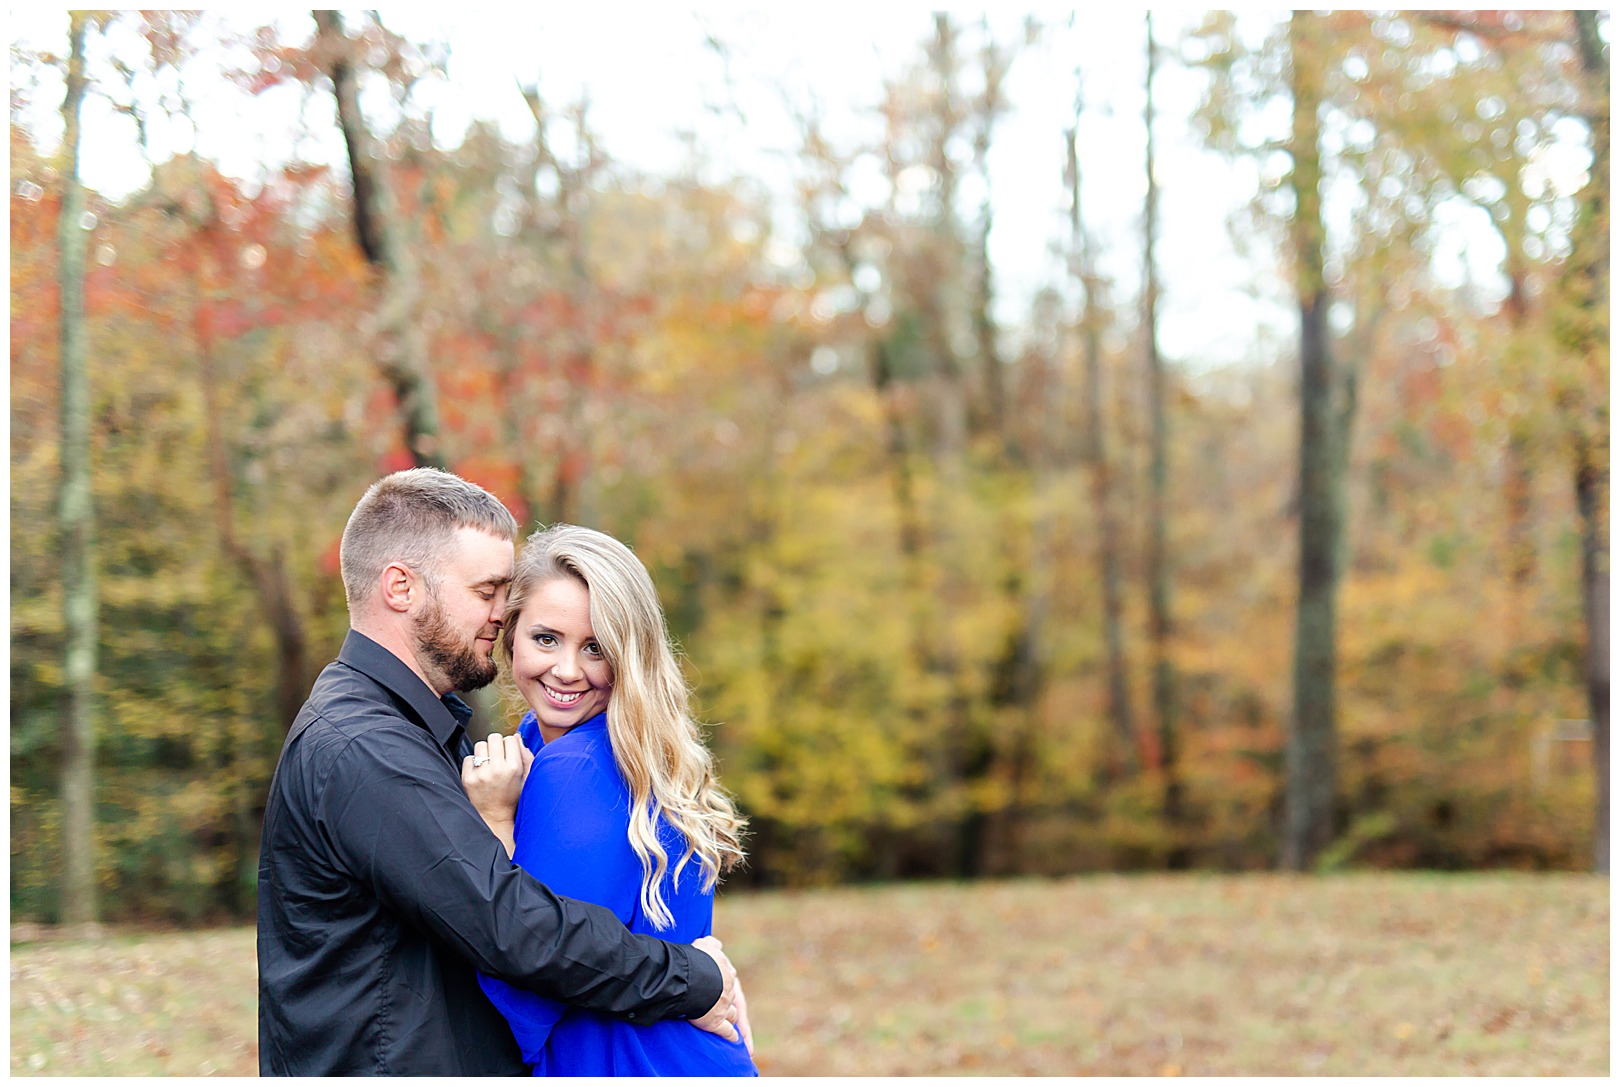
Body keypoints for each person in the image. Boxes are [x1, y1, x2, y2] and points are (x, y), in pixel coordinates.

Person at [257, 468, 746, 1076]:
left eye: (596, 646)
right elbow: (511, 928)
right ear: (401, 587)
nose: (499, 613)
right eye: (487, 592)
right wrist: (695, 979)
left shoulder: (461, 738)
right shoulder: (366, 746)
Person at [473, 524, 758, 1075]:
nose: (567, 670)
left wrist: (494, 823)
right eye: (547, 638)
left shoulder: (576, 768)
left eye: (596, 648)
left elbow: (524, 989)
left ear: (630, 655)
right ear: (510, 636)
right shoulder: (566, 744)